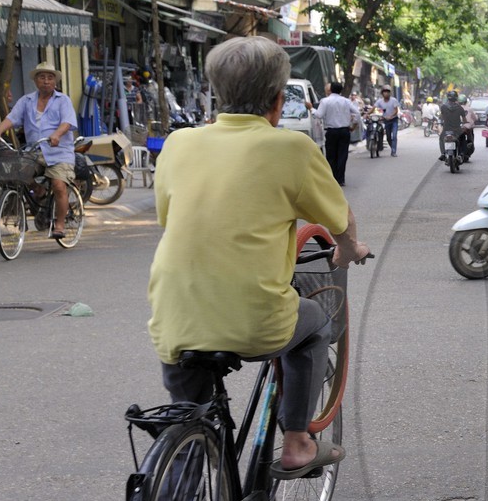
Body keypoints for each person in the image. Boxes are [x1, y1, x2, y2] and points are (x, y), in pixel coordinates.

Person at [147, 37, 370, 478]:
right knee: (316, 326)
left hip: (175, 315)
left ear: (217, 93)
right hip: (255, 319)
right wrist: (349, 249)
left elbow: (167, 217)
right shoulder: (291, 149)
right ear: (277, 100)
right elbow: (340, 220)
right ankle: (298, 442)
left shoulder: (178, 143)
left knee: (187, 421)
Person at [0, 61, 78, 239]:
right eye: (42, 77)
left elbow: (67, 122)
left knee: (58, 185)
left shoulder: (63, 100)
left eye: (50, 77)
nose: (46, 81)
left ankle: (60, 225)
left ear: (55, 81)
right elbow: (12, 118)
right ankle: (39, 190)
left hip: (59, 152)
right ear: (36, 80)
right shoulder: (26, 101)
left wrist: (57, 134)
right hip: (34, 151)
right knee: (17, 173)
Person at [315, 82, 358, 186]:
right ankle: (341, 179)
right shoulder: (346, 101)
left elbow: (319, 115)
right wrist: (353, 125)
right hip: (344, 131)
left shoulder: (325, 101)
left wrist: (311, 108)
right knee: (343, 155)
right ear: (341, 90)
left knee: (331, 156)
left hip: (331, 132)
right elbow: (357, 113)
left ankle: (333, 178)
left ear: (330, 90)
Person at [374, 86, 401, 156]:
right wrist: (367, 114)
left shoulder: (393, 100)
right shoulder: (380, 101)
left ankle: (393, 151)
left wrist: (391, 116)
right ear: (382, 93)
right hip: (386, 121)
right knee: (388, 137)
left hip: (394, 120)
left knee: (394, 136)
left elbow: (396, 110)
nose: (386, 93)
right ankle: (393, 147)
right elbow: (374, 108)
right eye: (384, 92)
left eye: (387, 92)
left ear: (390, 93)